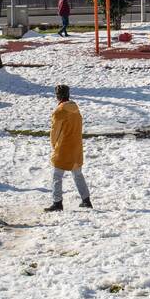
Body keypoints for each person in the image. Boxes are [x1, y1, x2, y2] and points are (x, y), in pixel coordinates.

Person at [46, 83, 91, 211]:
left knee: (57, 176)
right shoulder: (76, 108)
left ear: (57, 96)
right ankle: (86, 200)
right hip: (76, 147)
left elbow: (54, 132)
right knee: (77, 174)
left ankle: (57, 202)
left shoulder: (59, 112)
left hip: (64, 147)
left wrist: (54, 146)